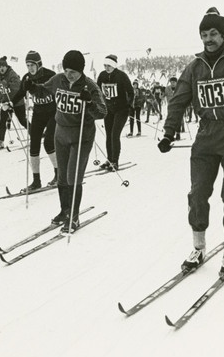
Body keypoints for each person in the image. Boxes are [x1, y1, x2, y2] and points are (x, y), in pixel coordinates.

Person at [157, 7, 224, 279]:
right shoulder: (194, 67)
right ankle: (198, 247)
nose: (208, 39)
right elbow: (179, 100)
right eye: (204, 34)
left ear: (223, 34)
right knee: (197, 194)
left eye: (213, 34)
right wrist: (169, 132)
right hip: (206, 136)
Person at [24, 50, 107, 232]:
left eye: (74, 72)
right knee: (61, 177)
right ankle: (64, 211)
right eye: (67, 70)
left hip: (81, 137)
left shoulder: (89, 86)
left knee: (72, 176)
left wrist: (90, 104)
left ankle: (74, 217)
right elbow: (43, 90)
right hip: (60, 134)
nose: (69, 75)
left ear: (81, 71)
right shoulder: (58, 80)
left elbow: (102, 112)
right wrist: (31, 86)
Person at [13, 50, 58, 190]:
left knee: (49, 142)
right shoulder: (27, 78)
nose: (30, 68)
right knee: (34, 145)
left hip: (53, 113)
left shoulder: (50, 75)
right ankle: (36, 181)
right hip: (38, 113)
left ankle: (59, 175)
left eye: (32, 65)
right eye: (27, 65)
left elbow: (56, 90)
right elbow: (20, 93)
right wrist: (10, 103)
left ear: (39, 64)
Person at [97, 54, 134, 170]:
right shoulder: (102, 75)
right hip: (109, 109)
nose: (106, 68)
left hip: (121, 109)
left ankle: (115, 161)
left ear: (114, 65)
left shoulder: (121, 76)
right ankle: (109, 159)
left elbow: (131, 92)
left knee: (114, 135)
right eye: (105, 65)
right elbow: (97, 90)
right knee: (108, 135)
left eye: (109, 65)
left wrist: (128, 105)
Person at [0, 56, 27, 150]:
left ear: (6, 66)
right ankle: (1, 142)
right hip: (6, 101)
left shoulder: (12, 74)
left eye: (3, 66)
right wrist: (0, 97)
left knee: (22, 120)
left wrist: (8, 85)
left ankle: (35, 135)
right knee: (2, 121)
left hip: (17, 101)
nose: (1, 68)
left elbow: (18, 87)